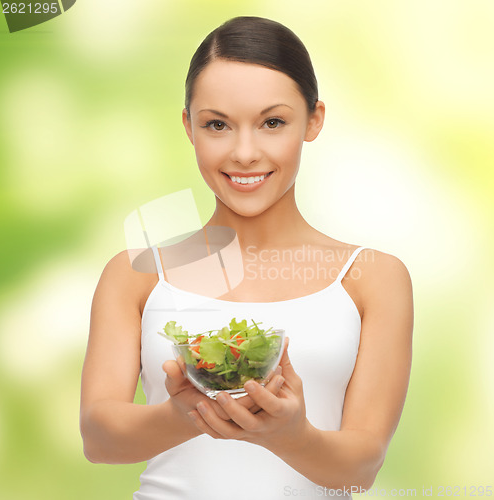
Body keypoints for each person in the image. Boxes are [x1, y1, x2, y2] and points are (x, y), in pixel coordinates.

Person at [80, 16, 414, 500]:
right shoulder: (134, 274)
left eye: (272, 122)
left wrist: (292, 436)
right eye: (217, 124)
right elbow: (98, 438)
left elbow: (360, 468)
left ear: (314, 120)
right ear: (189, 126)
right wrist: (185, 412)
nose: (244, 152)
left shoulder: (373, 278)